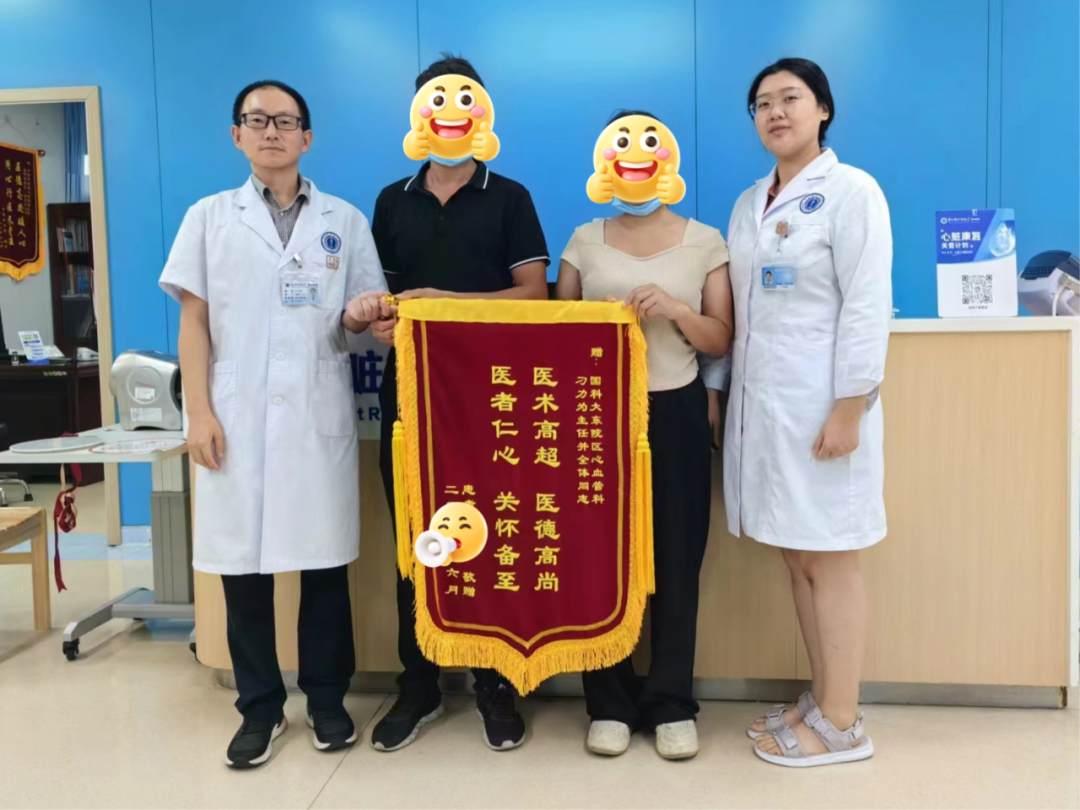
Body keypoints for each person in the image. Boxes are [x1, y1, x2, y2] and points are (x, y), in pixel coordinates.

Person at [159, 80, 387, 769]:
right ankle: (259, 708)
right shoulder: (208, 217)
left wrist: (363, 315)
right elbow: (194, 322)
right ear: (237, 135)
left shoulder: (344, 220)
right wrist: (199, 411)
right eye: (256, 121)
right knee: (243, 574)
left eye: (285, 122)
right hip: (234, 415)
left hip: (316, 415)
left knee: (324, 569)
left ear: (306, 137)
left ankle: (327, 702)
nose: (271, 132)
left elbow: (365, 315)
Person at [363, 54, 550, 753]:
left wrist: (447, 302)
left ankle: (494, 682)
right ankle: (418, 684)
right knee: (414, 535)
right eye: (434, 102)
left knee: (489, 530)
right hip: (410, 392)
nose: (448, 113)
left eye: (462, 100)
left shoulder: (510, 196)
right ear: (418, 114)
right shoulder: (392, 200)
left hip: (491, 396)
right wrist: (382, 320)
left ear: (482, 111)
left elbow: (535, 297)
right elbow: (381, 297)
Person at [726, 58, 892, 767]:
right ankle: (823, 699)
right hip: (767, 410)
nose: (776, 112)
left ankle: (845, 723)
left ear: (822, 108)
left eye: (790, 98)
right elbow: (739, 313)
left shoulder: (852, 191)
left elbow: (867, 306)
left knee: (831, 556)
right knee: (798, 554)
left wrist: (850, 407)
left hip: (825, 409)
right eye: (762, 103)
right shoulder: (748, 203)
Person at [555, 110, 733, 760]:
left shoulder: (705, 242)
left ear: (669, 158)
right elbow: (555, 333)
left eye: (648, 142)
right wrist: (592, 321)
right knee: (598, 558)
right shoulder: (583, 240)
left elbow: (721, 337)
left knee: (677, 557)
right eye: (621, 143)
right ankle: (608, 700)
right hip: (595, 415)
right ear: (605, 159)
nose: (635, 154)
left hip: (675, 410)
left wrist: (680, 311)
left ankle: (670, 702)